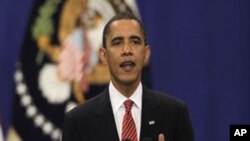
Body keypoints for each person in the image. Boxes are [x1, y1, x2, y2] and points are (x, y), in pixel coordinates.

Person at [62, 12, 194, 141]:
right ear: (104, 56)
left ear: (146, 54)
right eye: (117, 42)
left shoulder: (174, 114)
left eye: (135, 41)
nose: (127, 50)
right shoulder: (78, 121)